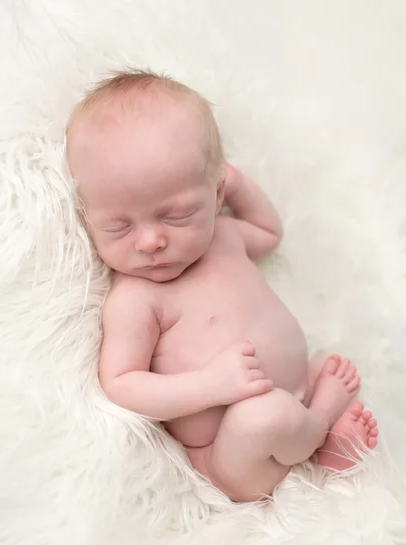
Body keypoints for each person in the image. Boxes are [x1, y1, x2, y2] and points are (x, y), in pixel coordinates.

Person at [66, 70, 378, 502]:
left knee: (307, 384)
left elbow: (269, 234)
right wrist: (211, 385)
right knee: (263, 417)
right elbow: (121, 383)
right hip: (229, 459)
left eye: (175, 216)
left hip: (287, 398)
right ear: (88, 219)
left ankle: (315, 433)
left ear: (214, 197)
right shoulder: (137, 298)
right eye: (118, 226)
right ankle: (320, 428)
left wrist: (238, 184)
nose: (151, 241)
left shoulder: (224, 236)